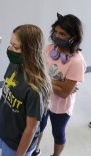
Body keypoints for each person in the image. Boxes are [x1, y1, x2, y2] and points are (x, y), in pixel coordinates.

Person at [0, 24, 52, 156]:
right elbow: (5, 94)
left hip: (19, 143)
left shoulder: (35, 89)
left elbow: (31, 128)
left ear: (30, 52)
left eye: (16, 47)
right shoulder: (14, 64)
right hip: (7, 129)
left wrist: (20, 154)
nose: (10, 49)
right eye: (10, 44)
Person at [32, 13, 86, 156]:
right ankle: (35, 150)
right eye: (55, 32)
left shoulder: (77, 62)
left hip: (60, 107)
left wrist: (46, 80)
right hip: (43, 99)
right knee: (39, 127)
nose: (57, 36)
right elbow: (37, 73)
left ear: (73, 37)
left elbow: (64, 93)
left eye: (63, 34)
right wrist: (59, 83)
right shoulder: (49, 48)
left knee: (58, 132)